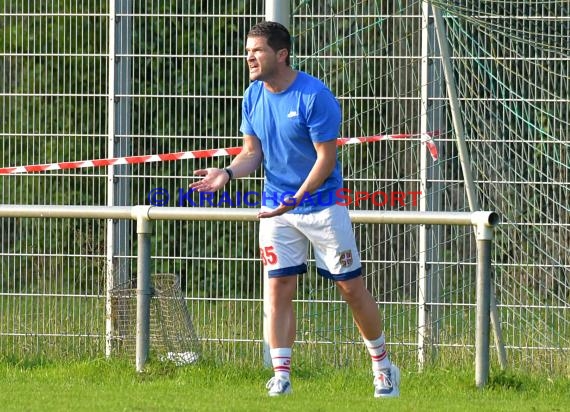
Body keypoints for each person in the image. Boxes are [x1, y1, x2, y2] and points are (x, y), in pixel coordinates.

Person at [190, 21, 400, 398]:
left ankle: (383, 367)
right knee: (278, 286)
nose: (249, 57)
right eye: (248, 51)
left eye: (257, 50)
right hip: (277, 208)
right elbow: (252, 153)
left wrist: (298, 197)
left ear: (281, 54)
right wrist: (226, 172)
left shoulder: (315, 95)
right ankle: (282, 376)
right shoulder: (252, 95)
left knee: (351, 288)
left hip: (321, 205)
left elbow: (325, 160)